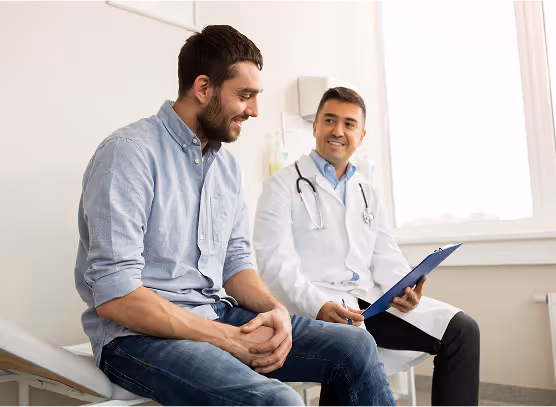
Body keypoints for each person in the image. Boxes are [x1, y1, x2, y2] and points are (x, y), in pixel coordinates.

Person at [74, 26, 397, 407]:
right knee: (279, 401)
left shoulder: (225, 167)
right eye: (244, 96)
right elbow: (117, 297)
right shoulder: (128, 154)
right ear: (203, 88)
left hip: (215, 313)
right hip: (136, 336)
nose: (254, 110)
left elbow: (236, 265)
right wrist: (225, 337)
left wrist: (275, 311)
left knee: (355, 344)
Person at [253, 87, 480, 407]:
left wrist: (404, 287)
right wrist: (318, 305)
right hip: (314, 306)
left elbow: (384, 253)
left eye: (349, 124)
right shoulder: (281, 186)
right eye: (329, 120)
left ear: (361, 135)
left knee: (462, 330)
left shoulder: (366, 191)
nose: (338, 130)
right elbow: (275, 265)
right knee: (349, 350)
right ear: (315, 126)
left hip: (369, 302)